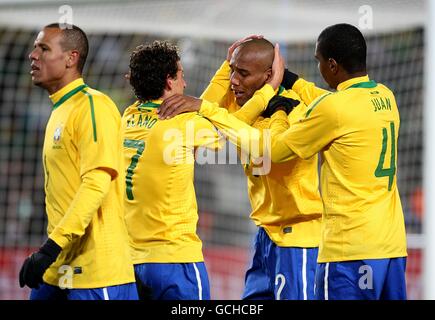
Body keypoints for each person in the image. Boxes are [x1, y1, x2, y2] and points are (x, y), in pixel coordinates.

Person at [160, 37, 323, 300]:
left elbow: (267, 148)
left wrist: (208, 108)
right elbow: (197, 120)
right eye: (233, 71)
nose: (234, 80)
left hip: (298, 238)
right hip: (265, 236)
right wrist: (226, 67)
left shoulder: (294, 110)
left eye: (243, 73)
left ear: (269, 75)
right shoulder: (240, 103)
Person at [269, 23, 407, 300]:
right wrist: (292, 80)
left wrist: (279, 113)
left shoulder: (334, 108)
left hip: (350, 250)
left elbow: (275, 151)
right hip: (391, 248)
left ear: (332, 65)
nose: (319, 68)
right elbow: (333, 104)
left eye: (319, 62)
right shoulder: (385, 96)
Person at [19, 23, 138, 300]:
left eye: (44, 48)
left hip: (97, 272)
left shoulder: (93, 106)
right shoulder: (60, 110)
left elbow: (96, 183)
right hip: (59, 266)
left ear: (71, 58)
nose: (33, 55)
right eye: (36, 47)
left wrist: (50, 248)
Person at [122, 41, 227, 300]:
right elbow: (232, 129)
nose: (186, 84)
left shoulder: (128, 116)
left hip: (130, 262)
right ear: (169, 82)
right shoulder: (185, 124)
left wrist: (227, 68)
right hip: (175, 261)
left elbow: (192, 109)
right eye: (181, 76)